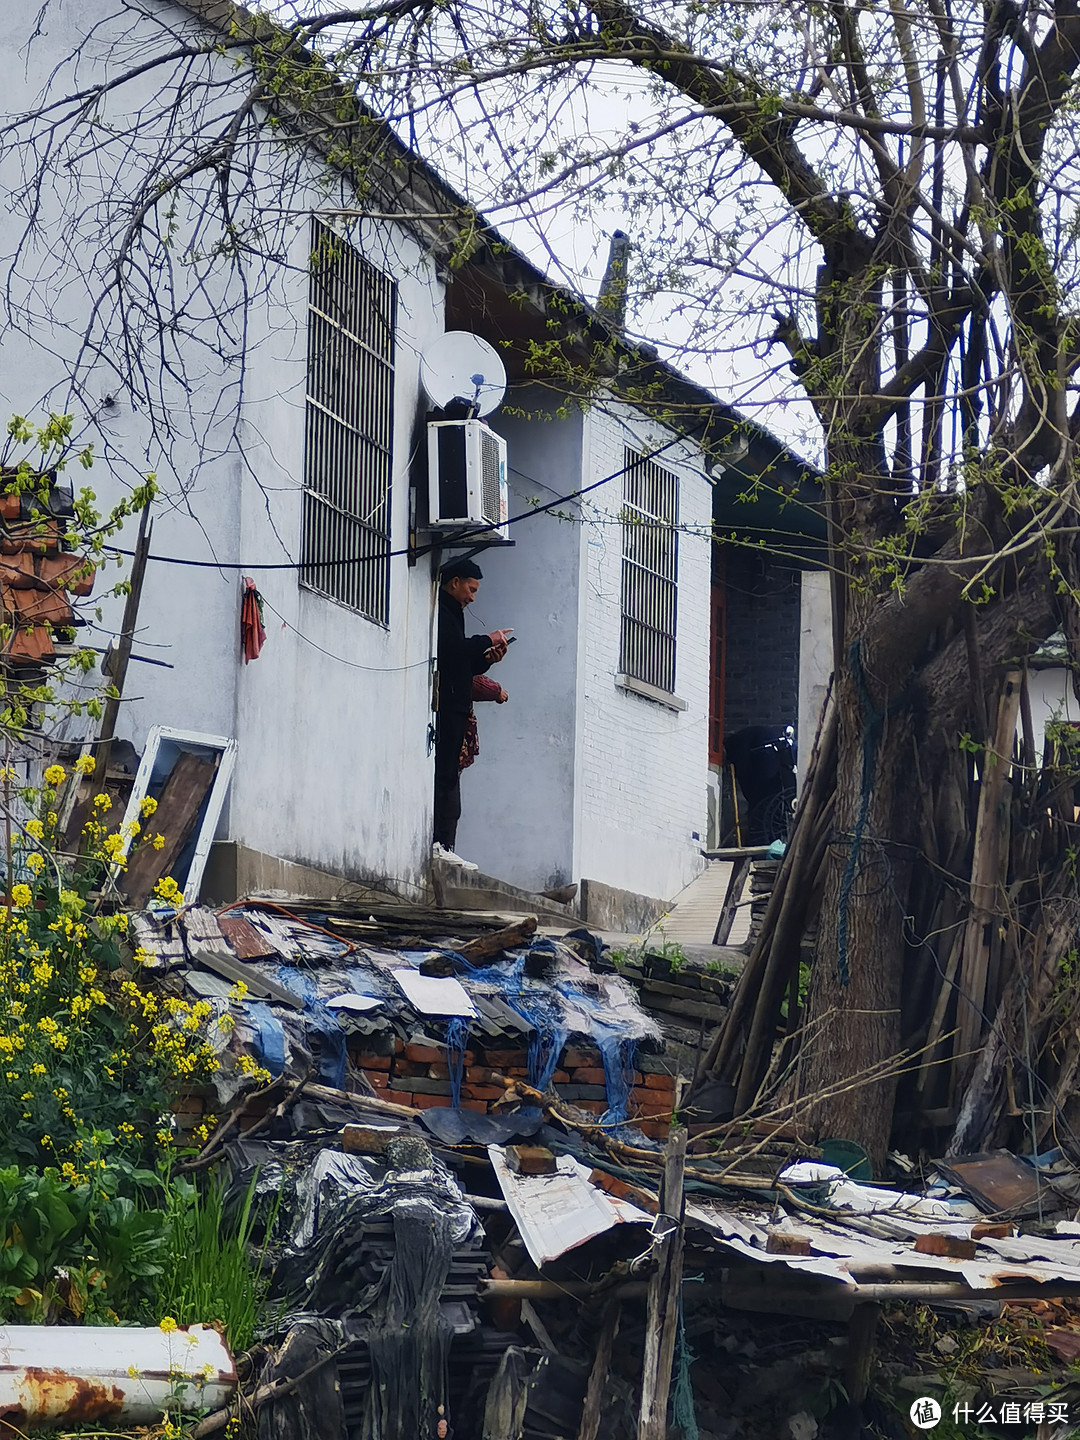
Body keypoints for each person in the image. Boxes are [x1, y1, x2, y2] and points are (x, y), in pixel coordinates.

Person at [432, 558, 511, 867]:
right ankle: (439, 842)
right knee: (444, 775)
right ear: (455, 582)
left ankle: (445, 844)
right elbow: (451, 650)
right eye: (471, 589)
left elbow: (463, 663)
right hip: (447, 705)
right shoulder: (443, 610)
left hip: (456, 705)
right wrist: (485, 640)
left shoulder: (455, 612)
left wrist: (489, 658)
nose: (472, 597)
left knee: (451, 774)